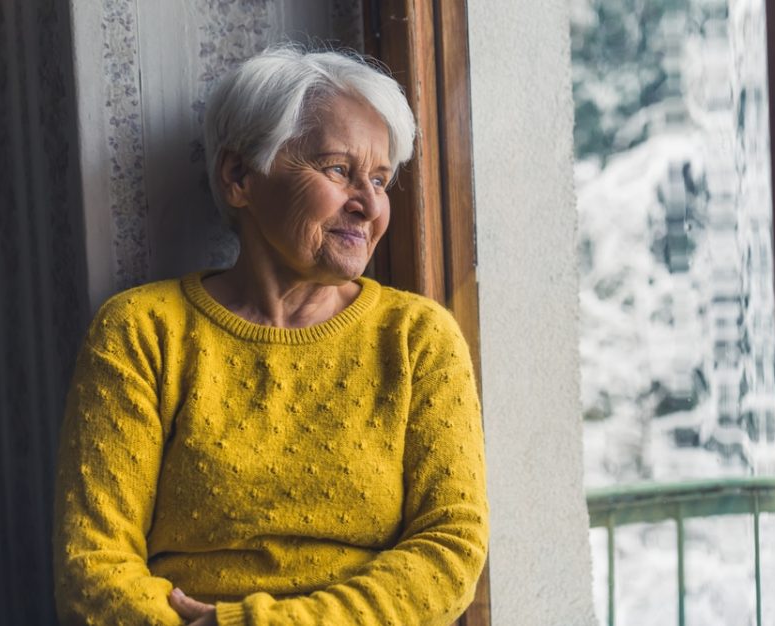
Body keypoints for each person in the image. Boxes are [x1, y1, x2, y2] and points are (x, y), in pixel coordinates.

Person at [52, 46, 489, 626]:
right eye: (339, 170)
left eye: (381, 180)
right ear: (239, 177)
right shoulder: (141, 332)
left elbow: (450, 548)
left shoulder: (418, 338)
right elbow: (92, 564)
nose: (369, 206)